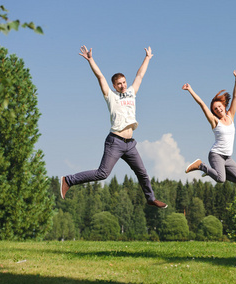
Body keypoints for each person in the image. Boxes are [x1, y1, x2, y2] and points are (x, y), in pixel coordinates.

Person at [60, 45, 167, 208]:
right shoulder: (110, 96)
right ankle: (68, 180)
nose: (123, 85)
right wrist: (91, 60)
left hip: (130, 144)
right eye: (119, 84)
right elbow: (100, 76)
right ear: (114, 85)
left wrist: (147, 58)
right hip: (115, 142)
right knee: (102, 173)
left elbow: (140, 75)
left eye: (124, 82)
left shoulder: (132, 92)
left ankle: (150, 199)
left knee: (142, 173)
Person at [182, 70, 236, 186]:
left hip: (228, 158)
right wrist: (190, 90)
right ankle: (201, 166)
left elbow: (235, 97)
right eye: (215, 109)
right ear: (214, 112)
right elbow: (202, 104)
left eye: (219, 106)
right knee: (221, 179)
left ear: (224, 105)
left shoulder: (230, 116)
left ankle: (213, 172)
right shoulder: (215, 121)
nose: (218, 109)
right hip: (216, 155)